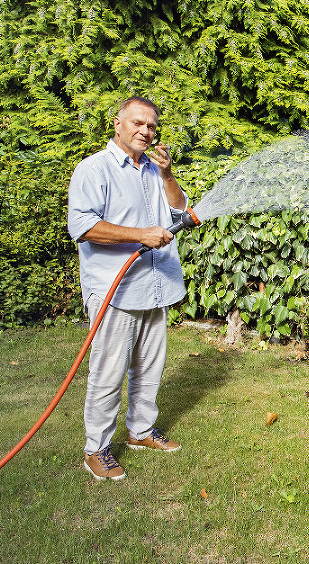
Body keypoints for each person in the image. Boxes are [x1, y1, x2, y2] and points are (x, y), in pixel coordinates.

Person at [67, 96, 187, 481]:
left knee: (150, 366)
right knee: (108, 373)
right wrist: (139, 235)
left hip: (155, 285)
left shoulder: (155, 171)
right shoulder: (94, 170)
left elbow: (182, 212)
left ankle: (141, 431)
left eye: (151, 126)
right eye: (137, 123)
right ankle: (96, 449)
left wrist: (168, 175)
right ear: (116, 124)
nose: (145, 131)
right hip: (114, 291)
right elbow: (82, 227)